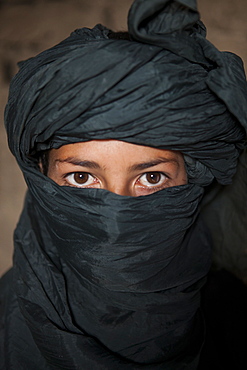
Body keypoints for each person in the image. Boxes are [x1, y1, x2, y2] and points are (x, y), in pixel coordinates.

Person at [0, 0, 247, 368]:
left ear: (193, 175)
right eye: (82, 178)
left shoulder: (233, 316)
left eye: (151, 177)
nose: (115, 219)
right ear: (41, 174)